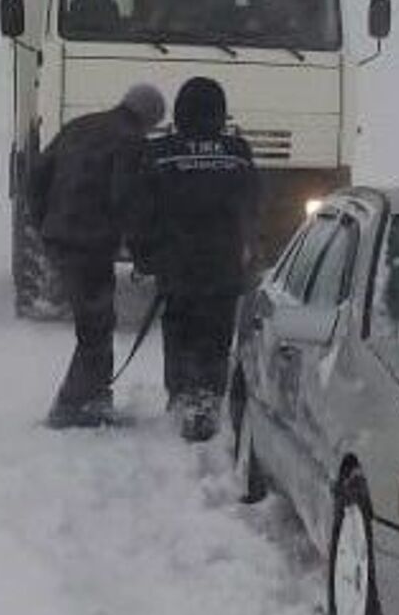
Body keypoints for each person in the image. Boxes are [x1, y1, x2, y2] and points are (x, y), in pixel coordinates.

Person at [25, 82, 167, 429]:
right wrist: (144, 253)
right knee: (96, 325)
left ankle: (95, 399)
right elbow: (127, 200)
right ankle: (73, 405)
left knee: (97, 322)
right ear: (149, 117)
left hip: (61, 236)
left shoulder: (79, 126)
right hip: (90, 241)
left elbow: (35, 178)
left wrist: (45, 221)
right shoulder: (131, 143)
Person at [129, 76, 260, 441]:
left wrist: (145, 257)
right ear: (220, 112)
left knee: (179, 329)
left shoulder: (160, 153)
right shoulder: (237, 152)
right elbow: (252, 206)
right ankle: (208, 398)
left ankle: (182, 395)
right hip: (224, 265)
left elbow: (142, 212)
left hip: (178, 265)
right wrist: (249, 254)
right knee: (217, 332)